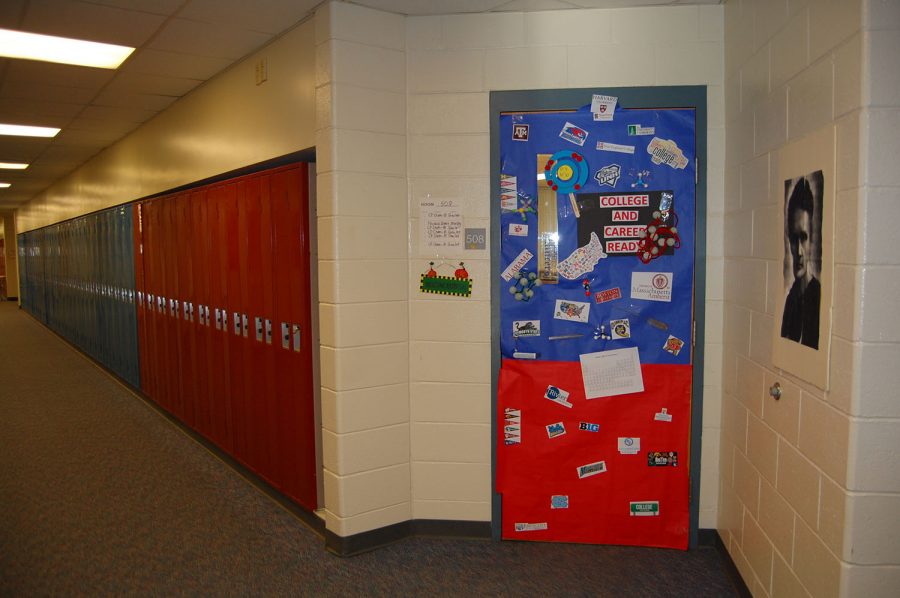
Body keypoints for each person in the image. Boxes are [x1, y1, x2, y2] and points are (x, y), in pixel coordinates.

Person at [780, 177, 820, 349]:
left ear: (812, 240)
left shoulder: (816, 297)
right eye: (794, 239)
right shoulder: (791, 299)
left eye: (803, 238)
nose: (799, 251)